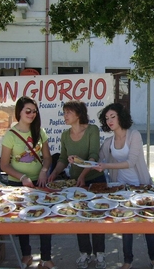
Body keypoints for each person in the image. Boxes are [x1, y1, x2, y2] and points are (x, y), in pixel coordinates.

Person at [92, 103, 154, 269]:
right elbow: (98, 159)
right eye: (107, 118)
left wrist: (106, 166)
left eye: (112, 116)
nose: (109, 120)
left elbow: (130, 162)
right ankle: (127, 261)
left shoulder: (134, 135)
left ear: (120, 117)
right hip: (121, 189)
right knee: (126, 223)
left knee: (148, 223)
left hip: (140, 185)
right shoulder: (109, 141)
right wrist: (80, 161)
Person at [47, 100, 106, 269]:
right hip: (75, 182)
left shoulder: (92, 130)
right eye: (64, 112)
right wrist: (54, 173)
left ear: (78, 114)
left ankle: (100, 254)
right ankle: (84, 253)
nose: (64, 116)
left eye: (68, 112)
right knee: (80, 216)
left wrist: (83, 174)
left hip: (94, 180)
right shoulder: (65, 135)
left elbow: (94, 156)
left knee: (97, 216)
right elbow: (63, 159)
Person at [0, 96, 56, 269]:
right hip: (18, 184)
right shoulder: (10, 135)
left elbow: (47, 158)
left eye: (34, 111)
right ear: (19, 112)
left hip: (40, 183)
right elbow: (4, 164)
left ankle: (46, 258)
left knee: (45, 218)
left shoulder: (41, 132)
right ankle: (26, 255)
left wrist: (44, 171)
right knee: (22, 220)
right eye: (28, 111)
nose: (32, 114)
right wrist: (22, 177)